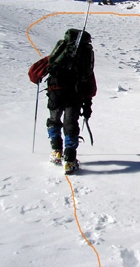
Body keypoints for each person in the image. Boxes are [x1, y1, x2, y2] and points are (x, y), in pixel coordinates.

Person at [45, 29, 97, 174]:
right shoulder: (85, 55)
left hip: (55, 91)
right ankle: (69, 159)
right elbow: (89, 82)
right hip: (75, 93)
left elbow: (45, 66)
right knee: (70, 124)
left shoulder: (62, 49)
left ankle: (56, 151)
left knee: (54, 119)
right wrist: (87, 105)